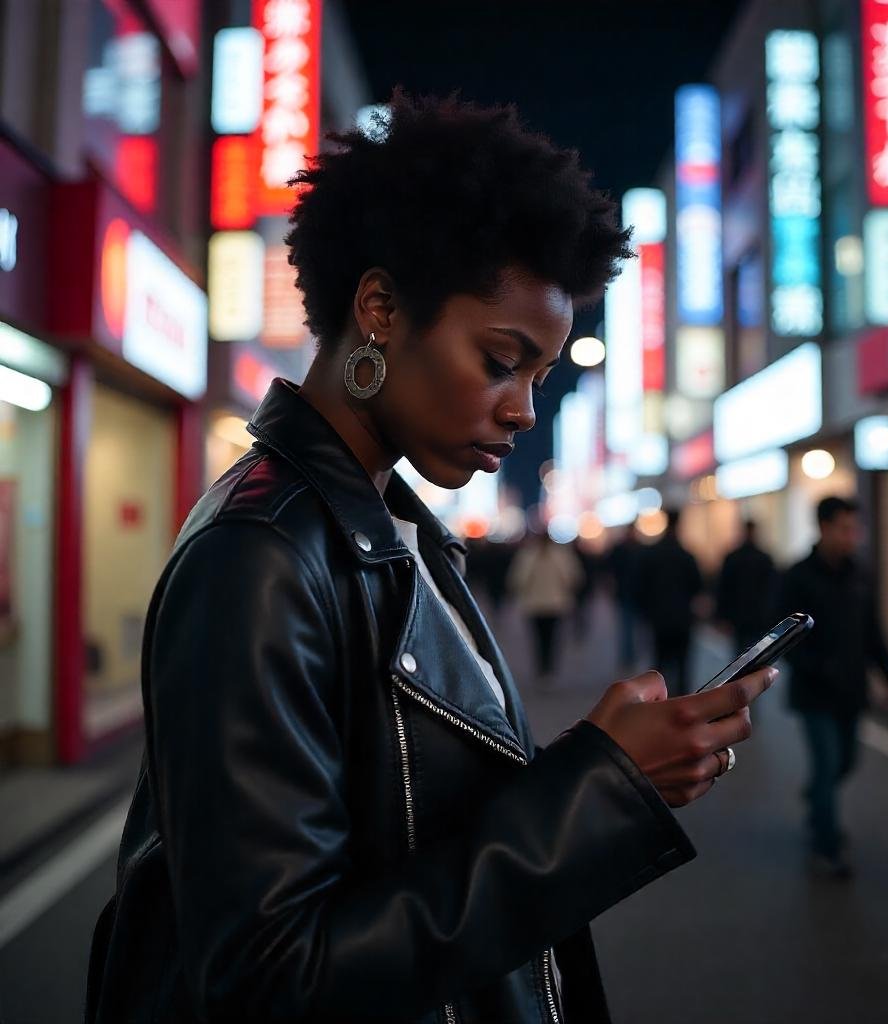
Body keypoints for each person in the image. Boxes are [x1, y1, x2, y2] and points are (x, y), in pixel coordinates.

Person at [84, 92, 777, 1024]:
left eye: (539, 376)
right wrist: (600, 795)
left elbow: (404, 827)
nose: (525, 409)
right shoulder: (261, 557)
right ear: (379, 309)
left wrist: (596, 762)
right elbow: (269, 979)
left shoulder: (388, 526)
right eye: (501, 360)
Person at [777, 495, 888, 879]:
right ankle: (827, 845)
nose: (851, 536)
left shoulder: (860, 574)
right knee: (828, 763)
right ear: (824, 528)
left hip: (851, 689)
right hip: (814, 691)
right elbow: (781, 637)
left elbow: (872, 629)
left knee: (846, 762)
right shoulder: (797, 576)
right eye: (844, 528)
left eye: (855, 529)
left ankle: (818, 796)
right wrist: (816, 665)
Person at [637, 509, 704, 697]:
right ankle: (681, 701)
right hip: (683, 617)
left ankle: (659, 700)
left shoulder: (652, 554)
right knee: (683, 664)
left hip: (659, 617)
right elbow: (698, 586)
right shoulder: (686, 555)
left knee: (659, 663)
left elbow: (640, 586)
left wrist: (646, 611)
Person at [508, 529, 584, 682]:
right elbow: (519, 578)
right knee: (541, 638)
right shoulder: (531, 555)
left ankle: (547, 668)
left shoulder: (553, 555)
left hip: (551, 604)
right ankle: (544, 668)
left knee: (550, 638)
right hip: (538, 604)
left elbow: (571, 577)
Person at [715, 519, 779, 655]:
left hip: (740, 615)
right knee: (758, 653)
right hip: (758, 615)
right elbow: (771, 589)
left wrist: (723, 615)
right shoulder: (764, 558)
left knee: (740, 654)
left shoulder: (733, 557)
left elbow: (724, 588)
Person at [605, 521, 645, 671]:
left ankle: (632, 655)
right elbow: (611, 571)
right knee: (627, 627)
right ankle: (629, 656)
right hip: (626, 593)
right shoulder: (625, 549)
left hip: (636, 594)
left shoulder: (632, 548)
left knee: (634, 627)